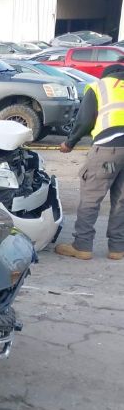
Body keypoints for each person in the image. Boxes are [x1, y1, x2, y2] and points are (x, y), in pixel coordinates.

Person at [56, 63, 124, 261]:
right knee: (121, 200)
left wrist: (69, 143)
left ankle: (82, 245)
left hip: (107, 149)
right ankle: (117, 248)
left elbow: (84, 121)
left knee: (91, 198)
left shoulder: (99, 86)